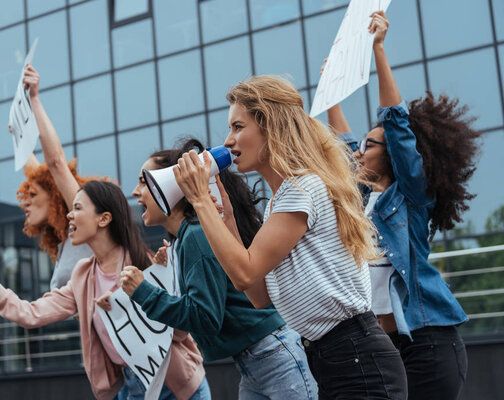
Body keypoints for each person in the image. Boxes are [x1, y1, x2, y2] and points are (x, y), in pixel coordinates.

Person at [167, 37, 410, 400]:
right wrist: (229, 219)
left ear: (270, 126)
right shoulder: (283, 200)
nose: (228, 140)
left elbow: (246, 271)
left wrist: (200, 200)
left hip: (356, 360)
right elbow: (259, 295)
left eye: (238, 127)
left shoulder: (301, 190)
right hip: (336, 360)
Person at [325, 11, 475, 400]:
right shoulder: (362, 201)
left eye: (368, 145)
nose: (358, 150)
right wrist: (333, 91)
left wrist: (378, 50)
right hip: (387, 347)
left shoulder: (411, 196)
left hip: (428, 342)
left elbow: (395, 121)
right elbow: (342, 144)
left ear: (391, 154)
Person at [0, 180, 209, 400]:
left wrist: (143, 295)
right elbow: (30, 314)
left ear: (104, 218)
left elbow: (178, 334)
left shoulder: (144, 265)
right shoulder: (82, 276)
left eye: (78, 208)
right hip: (132, 386)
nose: (70, 215)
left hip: (175, 385)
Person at [115, 138, 318, 400]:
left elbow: (205, 317)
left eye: (145, 181)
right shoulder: (185, 240)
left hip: (272, 356)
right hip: (256, 360)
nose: (135, 191)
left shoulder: (196, 236)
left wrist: (143, 292)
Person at [17, 64, 104, 290]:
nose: (25, 201)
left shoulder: (85, 220)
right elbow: (35, 170)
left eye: (33, 194)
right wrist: (18, 132)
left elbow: (55, 163)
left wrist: (34, 99)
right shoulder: (69, 238)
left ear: (56, 195)